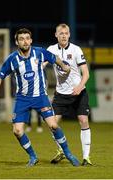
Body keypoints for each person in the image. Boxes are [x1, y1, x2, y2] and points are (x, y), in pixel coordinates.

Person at [0, 28, 80, 167]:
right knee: (17, 131)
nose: (25, 41)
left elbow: (54, 58)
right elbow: (0, 75)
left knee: (54, 125)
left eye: (27, 38)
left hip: (40, 97)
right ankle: (33, 156)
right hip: (22, 99)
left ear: (31, 40)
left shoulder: (39, 52)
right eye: (21, 39)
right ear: (17, 42)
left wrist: (63, 65)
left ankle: (68, 153)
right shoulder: (12, 59)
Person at [46, 23, 92, 166]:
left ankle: (86, 158)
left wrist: (79, 87)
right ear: (56, 35)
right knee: (52, 124)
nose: (64, 35)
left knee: (83, 120)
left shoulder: (76, 50)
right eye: (61, 33)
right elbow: (41, 65)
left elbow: (86, 73)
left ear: (69, 35)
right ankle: (61, 151)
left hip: (78, 92)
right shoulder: (51, 50)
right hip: (60, 94)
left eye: (66, 33)